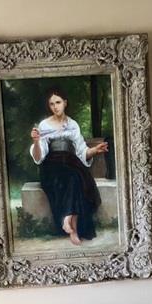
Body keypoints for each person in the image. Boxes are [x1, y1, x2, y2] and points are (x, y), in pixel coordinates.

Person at [29, 88, 109, 245]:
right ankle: (71, 226)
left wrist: (95, 150)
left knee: (77, 178)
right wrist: (36, 142)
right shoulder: (44, 125)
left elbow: (81, 151)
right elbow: (39, 157)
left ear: (65, 103)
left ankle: (69, 223)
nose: (55, 107)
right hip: (51, 165)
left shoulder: (73, 125)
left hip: (71, 162)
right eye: (52, 104)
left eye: (58, 102)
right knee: (74, 177)